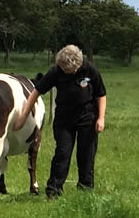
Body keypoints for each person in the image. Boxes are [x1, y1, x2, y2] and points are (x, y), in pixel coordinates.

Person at [16, 44, 106, 198]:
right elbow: (36, 92)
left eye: (69, 70)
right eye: (64, 69)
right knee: (62, 153)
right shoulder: (56, 71)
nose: (66, 72)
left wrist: (101, 118)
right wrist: (23, 116)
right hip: (64, 118)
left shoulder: (90, 70)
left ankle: (85, 189)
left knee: (87, 154)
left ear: (77, 65)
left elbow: (101, 94)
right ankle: (54, 191)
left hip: (87, 116)